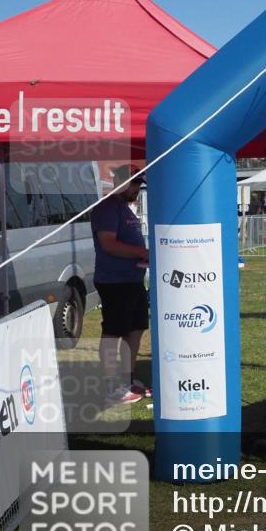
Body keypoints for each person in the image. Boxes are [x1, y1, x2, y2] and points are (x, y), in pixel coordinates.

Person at [90, 165, 151, 405]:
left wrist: (143, 255)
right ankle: (110, 385)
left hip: (133, 280)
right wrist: (144, 251)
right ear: (124, 182)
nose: (138, 189)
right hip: (114, 281)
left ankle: (127, 379)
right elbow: (109, 244)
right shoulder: (107, 208)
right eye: (136, 184)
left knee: (135, 329)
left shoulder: (124, 209)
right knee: (113, 331)